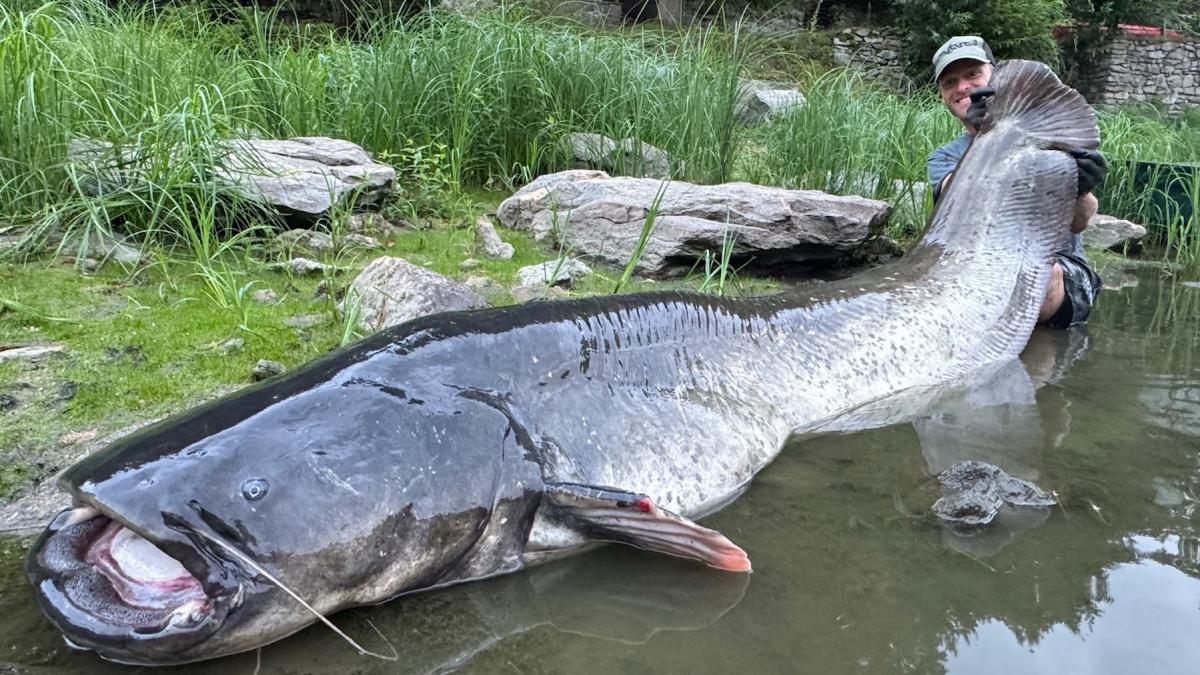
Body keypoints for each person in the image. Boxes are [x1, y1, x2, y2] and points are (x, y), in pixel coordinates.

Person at [927, 36, 1106, 329]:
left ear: (994, 75)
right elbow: (952, 197)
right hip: (977, 270)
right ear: (942, 95)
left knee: (1036, 277)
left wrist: (1081, 188)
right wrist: (983, 137)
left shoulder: (1045, 134)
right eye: (950, 82)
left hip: (1056, 271)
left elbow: (1080, 221)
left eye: (973, 74)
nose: (962, 87)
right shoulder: (943, 157)